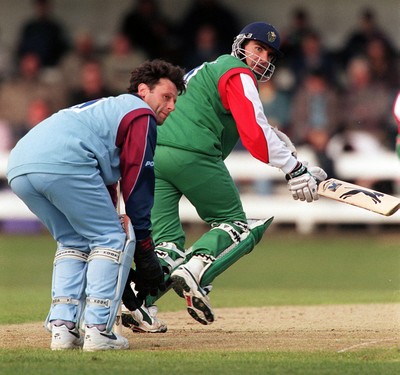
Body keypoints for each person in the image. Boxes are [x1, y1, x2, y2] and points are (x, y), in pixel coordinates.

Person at [121, 22, 327, 332]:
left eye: (269, 55)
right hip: (193, 153)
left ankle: (136, 304)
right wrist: (294, 170)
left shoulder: (208, 69)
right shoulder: (237, 72)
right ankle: (197, 270)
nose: (262, 59)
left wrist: (298, 161)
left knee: (167, 247)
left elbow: (259, 127)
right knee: (238, 226)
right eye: (258, 49)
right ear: (241, 45)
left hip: (155, 155)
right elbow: (255, 134)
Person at [6, 59, 186, 351]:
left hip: (20, 164)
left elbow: (107, 187)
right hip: (64, 162)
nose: (172, 106)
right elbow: (138, 178)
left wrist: (120, 268)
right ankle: (99, 330)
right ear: (143, 91)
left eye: (175, 100)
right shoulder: (140, 113)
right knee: (111, 238)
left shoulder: (106, 109)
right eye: (166, 96)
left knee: (73, 240)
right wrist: (144, 247)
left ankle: (63, 329)